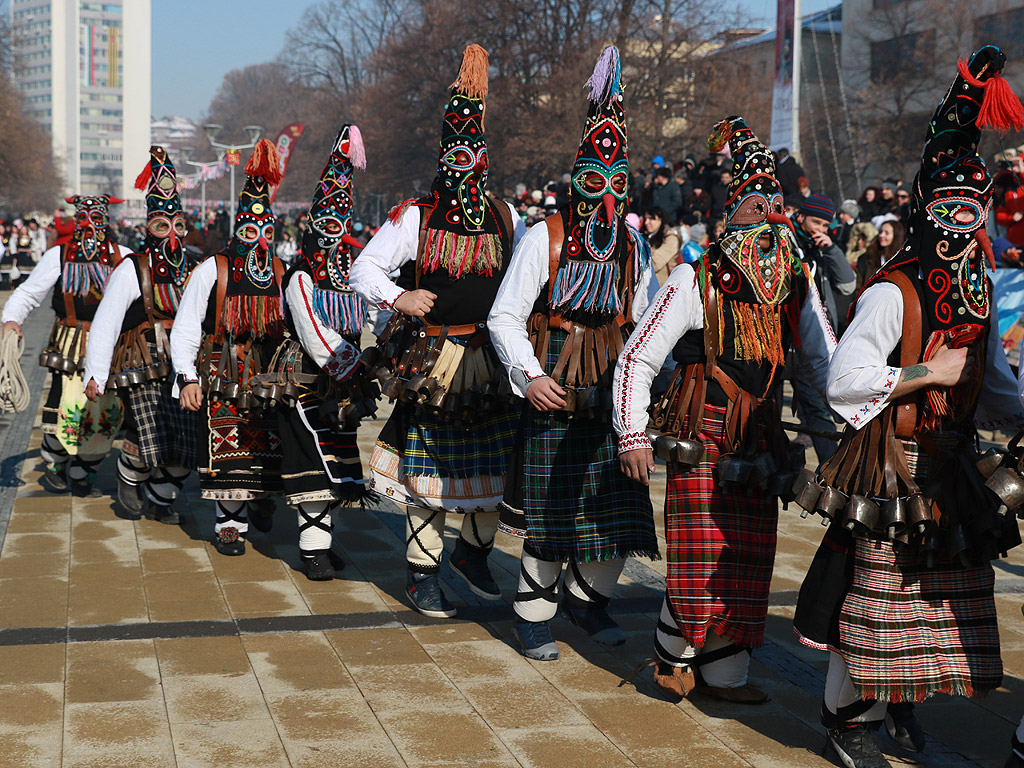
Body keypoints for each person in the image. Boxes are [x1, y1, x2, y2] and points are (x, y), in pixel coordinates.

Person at [793, 46, 1024, 768]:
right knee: (875, 604)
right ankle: (846, 722)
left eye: (973, 206)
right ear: (925, 207)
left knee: (930, 608)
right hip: (892, 463)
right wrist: (929, 369)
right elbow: (843, 381)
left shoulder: (979, 294)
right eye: (948, 206)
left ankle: (899, 713)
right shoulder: (895, 290)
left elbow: (992, 385)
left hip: (952, 468)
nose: (961, 221)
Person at [613, 115, 834, 703]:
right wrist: (632, 433)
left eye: (774, 207)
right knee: (698, 553)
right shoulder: (694, 277)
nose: (766, 220)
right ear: (731, 212)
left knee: (748, 557)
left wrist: (838, 442)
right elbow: (636, 357)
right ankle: (671, 651)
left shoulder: (797, 282)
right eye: (753, 207)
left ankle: (725, 671)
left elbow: (818, 367)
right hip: (700, 428)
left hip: (761, 436)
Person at [489, 46, 660, 662]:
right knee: (551, 505)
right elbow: (504, 315)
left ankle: (589, 602)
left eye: (618, 183)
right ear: (575, 181)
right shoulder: (546, 235)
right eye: (595, 182)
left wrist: (646, 386)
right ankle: (532, 614)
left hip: (613, 373)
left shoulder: (635, 244)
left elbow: (647, 321)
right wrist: (529, 376)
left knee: (616, 500)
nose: (607, 197)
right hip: (555, 366)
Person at [349, 45, 526, 618]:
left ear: (484, 158)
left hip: (491, 356)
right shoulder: (416, 216)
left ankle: (474, 553)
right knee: (428, 470)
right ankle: (422, 573)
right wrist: (399, 295)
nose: (462, 164)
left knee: (497, 462)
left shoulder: (505, 216)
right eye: (454, 152)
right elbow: (362, 268)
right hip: (433, 359)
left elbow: (528, 276)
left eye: (471, 153)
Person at [171, 140, 287, 556]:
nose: (259, 240)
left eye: (267, 232)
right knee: (228, 445)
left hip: (269, 371)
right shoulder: (214, 268)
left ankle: (260, 499)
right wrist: (185, 377)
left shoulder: (278, 269)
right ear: (239, 228)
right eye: (252, 231)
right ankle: (230, 523)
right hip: (223, 367)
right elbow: (184, 327)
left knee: (269, 441)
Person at [274, 124, 375, 580]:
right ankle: (312, 550)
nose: (337, 241)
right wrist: (352, 364)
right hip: (308, 383)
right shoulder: (301, 278)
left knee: (335, 465)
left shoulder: (351, 277)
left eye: (342, 229)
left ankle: (322, 543)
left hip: (340, 389)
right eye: (329, 230)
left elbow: (370, 315)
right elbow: (313, 330)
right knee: (314, 470)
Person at [82, 146, 200, 523]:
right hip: (142, 362)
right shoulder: (133, 268)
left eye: (178, 225)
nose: (172, 235)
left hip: (184, 365)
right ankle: (130, 477)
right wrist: (95, 374)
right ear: (148, 227)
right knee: (149, 435)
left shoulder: (196, 265)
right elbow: (106, 322)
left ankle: (160, 496)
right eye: (162, 226)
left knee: (189, 440)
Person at [2, 194, 130, 495]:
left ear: (106, 222)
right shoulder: (59, 256)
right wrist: (11, 319)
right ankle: (55, 461)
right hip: (69, 342)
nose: (89, 228)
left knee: (105, 408)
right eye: (83, 221)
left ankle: (85, 469)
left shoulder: (122, 256)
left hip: (111, 346)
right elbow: (28, 292)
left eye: (97, 220)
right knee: (64, 405)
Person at [855, 219, 905, 290]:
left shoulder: (902, 260)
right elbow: (858, 285)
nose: (881, 235)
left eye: (886, 233)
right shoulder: (867, 257)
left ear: (896, 236)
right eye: (880, 232)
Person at [643, 206, 681, 285]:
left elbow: (655, 264)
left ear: (661, 220)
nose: (646, 222)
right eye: (645, 219)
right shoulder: (646, 236)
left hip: (662, 288)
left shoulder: (671, 239)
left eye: (651, 219)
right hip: (646, 285)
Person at [997, 152, 1024, 245]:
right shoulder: (1009, 190)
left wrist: (1022, 171)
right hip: (1015, 240)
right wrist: (1011, 218)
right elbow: (999, 216)